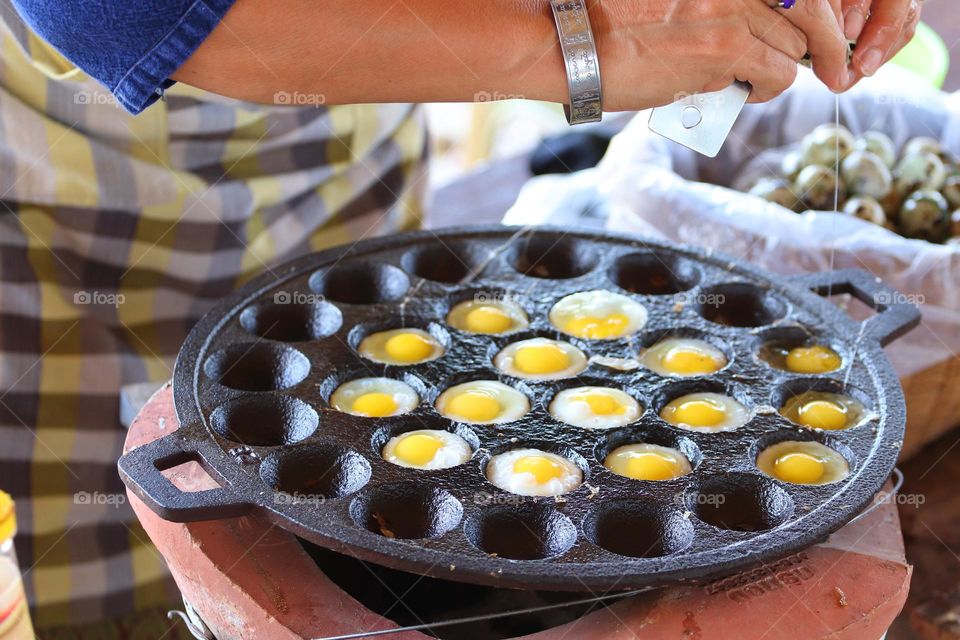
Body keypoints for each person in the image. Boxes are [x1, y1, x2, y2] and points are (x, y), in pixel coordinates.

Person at [0, 0, 920, 634]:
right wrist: (589, 40)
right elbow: (116, 13)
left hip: (352, 97)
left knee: (367, 466)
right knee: (110, 552)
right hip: (83, 169)